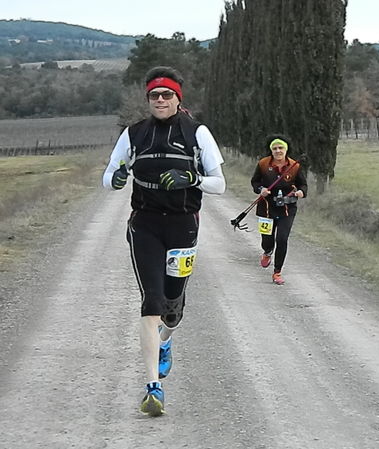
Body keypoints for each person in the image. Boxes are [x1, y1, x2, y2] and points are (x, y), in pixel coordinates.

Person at [102, 66, 226, 416]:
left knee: (172, 306)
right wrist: (116, 178)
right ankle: (152, 387)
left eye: (166, 94)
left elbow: (220, 184)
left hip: (184, 225)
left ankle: (166, 340)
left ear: (177, 98)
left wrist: (192, 178)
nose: (160, 100)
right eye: (154, 95)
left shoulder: (196, 133)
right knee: (151, 300)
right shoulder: (134, 134)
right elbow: (108, 175)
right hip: (145, 225)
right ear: (148, 99)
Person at [250, 134, 307, 285]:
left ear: (286, 150)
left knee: (282, 239)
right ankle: (267, 251)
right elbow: (255, 182)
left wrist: (301, 192)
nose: (278, 151)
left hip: (287, 209)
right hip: (266, 208)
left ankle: (277, 272)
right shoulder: (263, 164)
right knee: (267, 239)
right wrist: (260, 189)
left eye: (281, 148)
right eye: (274, 148)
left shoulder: (295, 166)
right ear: (271, 151)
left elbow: (303, 185)